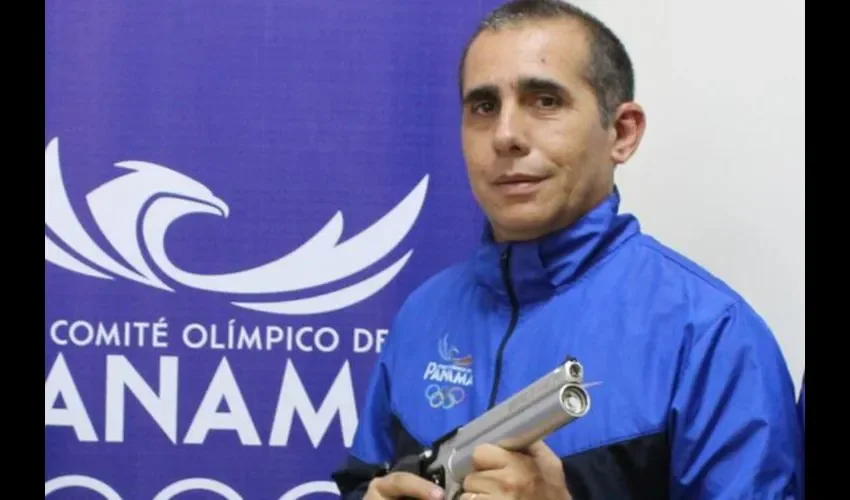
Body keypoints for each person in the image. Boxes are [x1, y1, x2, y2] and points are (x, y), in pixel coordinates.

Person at [331, 0, 802, 498]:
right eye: (484, 107)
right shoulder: (424, 312)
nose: (506, 135)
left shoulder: (712, 336)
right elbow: (362, 480)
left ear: (622, 133)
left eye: (545, 101)